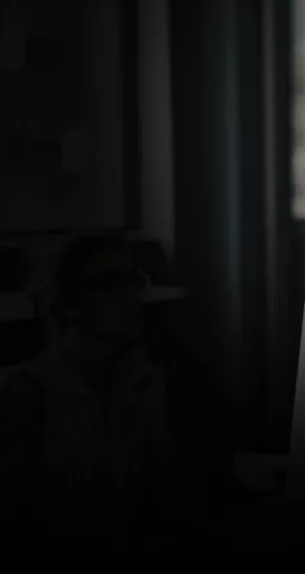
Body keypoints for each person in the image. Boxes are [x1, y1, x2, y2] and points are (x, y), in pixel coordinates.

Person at [0, 234, 190, 552]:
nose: (133, 296)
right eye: (115, 283)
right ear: (67, 303)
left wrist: (158, 424)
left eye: (134, 281)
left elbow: (184, 516)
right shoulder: (26, 392)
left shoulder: (141, 383)